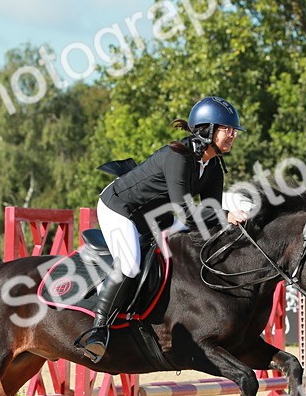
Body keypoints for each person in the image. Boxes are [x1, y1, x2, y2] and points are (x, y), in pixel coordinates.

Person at [75, 96, 250, 362]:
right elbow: (188, 212)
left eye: (234, 131)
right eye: (228, 130)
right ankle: (98, 330)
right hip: (120, 208)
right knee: (131, 265)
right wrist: (226, 215)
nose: (233, 135)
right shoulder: (178, 156)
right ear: (208, 129)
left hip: (156, 216)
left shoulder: (213, 165)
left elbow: (210, 212)